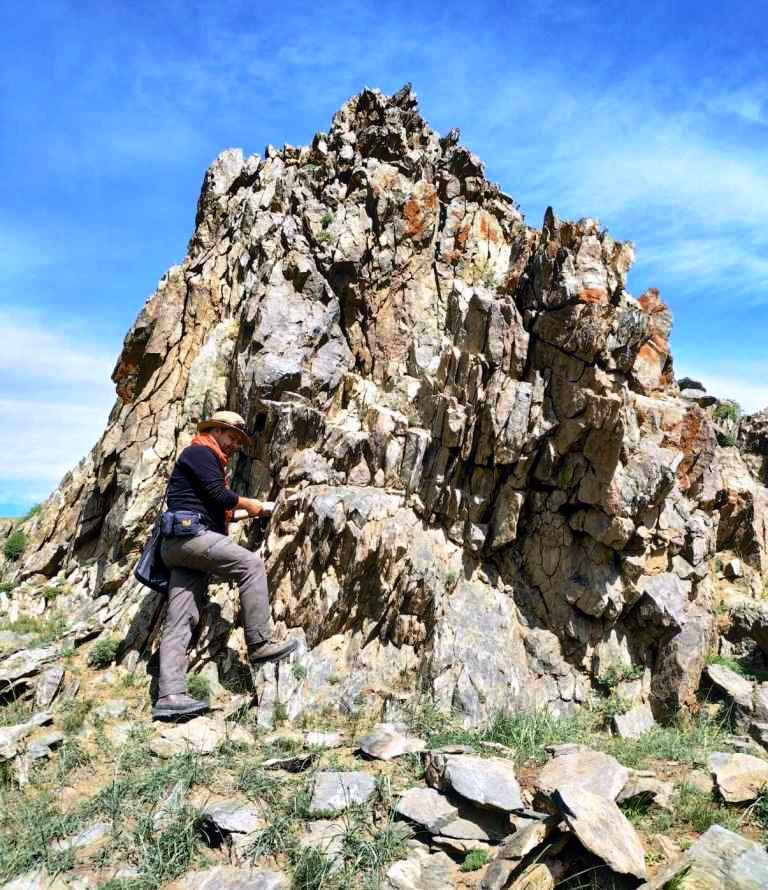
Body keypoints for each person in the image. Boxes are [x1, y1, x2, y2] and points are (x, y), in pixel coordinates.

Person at [152, 410, 297, 720]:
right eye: (231, 437)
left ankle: (170, 696)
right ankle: (259, 643)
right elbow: (221, 496)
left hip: (179, 545)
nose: (234, 444)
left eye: (237, 440)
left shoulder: (204, 459)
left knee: (180, 619)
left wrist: (255, 512)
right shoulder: (200, 451)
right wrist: (250, 503)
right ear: (216, 430)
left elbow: (220, 509)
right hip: (191, 537)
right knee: (250, 566)